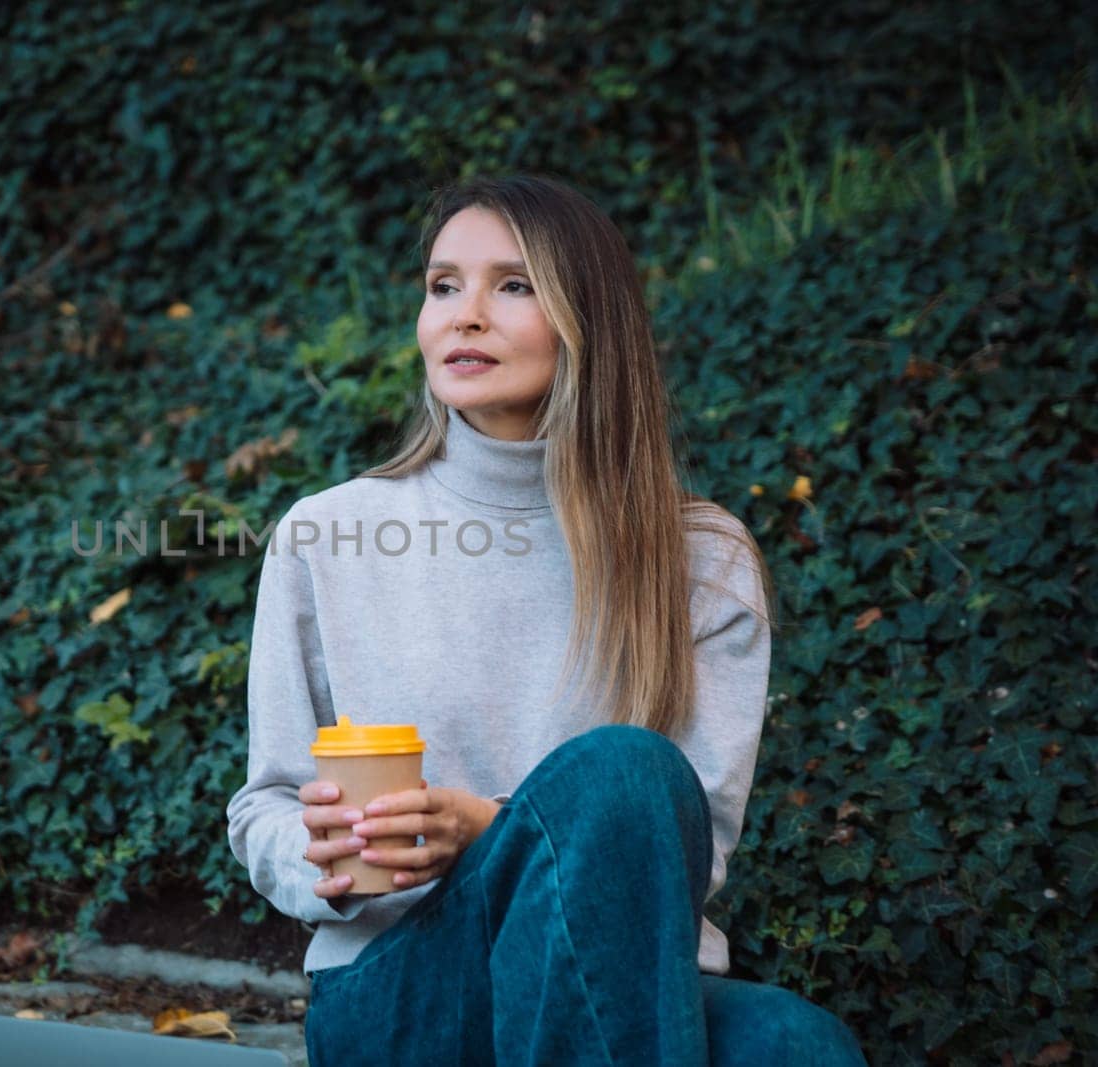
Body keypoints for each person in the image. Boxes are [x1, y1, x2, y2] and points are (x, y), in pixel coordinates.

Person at [224, 173, 869, 1066]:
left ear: (588, 321)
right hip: (406, 986)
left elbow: (689, 853)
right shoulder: (329, 533)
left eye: (514, 285)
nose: (466, 314)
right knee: (620, 767)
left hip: (623, 971)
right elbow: (266, 804)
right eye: (444, 284)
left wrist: (496, 830)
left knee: (802, 1047)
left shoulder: (704, 559)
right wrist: (324, 857)